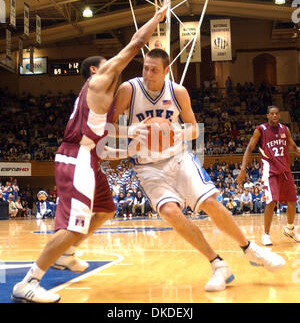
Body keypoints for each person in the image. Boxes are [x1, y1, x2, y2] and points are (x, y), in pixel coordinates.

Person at [11, 1, 169, 303]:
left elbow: (101, 136)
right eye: (108, 61)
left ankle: (67, 252)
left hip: (89, 156)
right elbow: (136, 44)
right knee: (73, 225)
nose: (115, 64)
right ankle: (29, 281)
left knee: (107, 208)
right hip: (77, 158)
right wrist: (157, 17)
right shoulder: (99, 80)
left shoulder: (101, 104)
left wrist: (131, 133)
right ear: (96, 70)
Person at [111, 48, 285, 293]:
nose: (148, 74)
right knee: (170, 212)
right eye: (145, 68)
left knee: (210, 203)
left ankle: (250, 249)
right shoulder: (128, 89)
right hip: (147, 166)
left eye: (154, 69)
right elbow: (106, 125)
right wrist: (130, 131)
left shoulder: (178, 91)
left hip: (178, 157)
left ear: (166, 70)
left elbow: (194, 129)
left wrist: (178, 133)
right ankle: (217, 264)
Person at [237, 105, 300, 246]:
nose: (275, 116)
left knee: (292, 201)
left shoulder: (285, 129)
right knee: (271, 201)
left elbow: (295, 148)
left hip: (285, 170)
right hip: (270, 170)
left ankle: (290, 229)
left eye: (277, 113)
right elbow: (249, 148)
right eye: (272, 114)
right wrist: (243, 169)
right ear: (267, 115)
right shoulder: (261, 130)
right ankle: (266, 234)